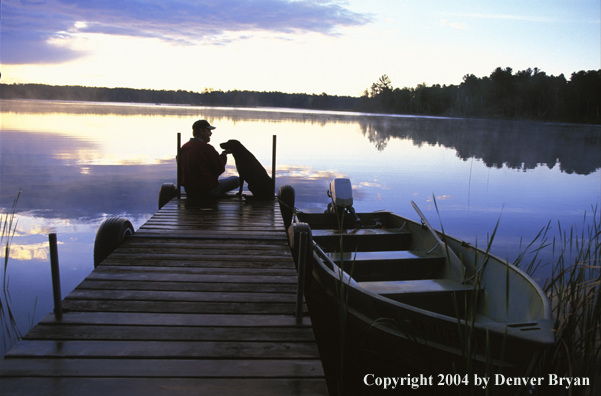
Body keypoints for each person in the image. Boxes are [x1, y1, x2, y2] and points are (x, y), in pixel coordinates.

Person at [179, 119, 239, 198]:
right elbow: (219, 169)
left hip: (189, 191)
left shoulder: (184, 147)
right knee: (236, 179)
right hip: (207, 191)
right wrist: (224, 154)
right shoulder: (207, 148)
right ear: (202, 131)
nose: (210, 134)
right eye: (209, 131)